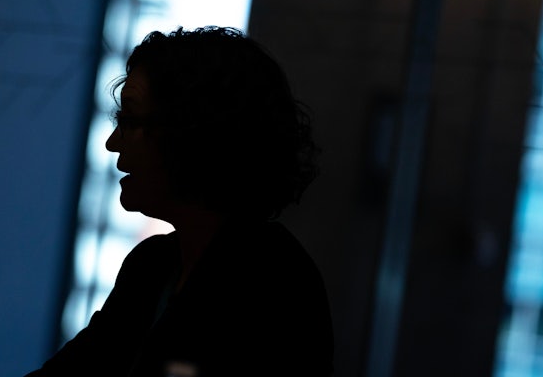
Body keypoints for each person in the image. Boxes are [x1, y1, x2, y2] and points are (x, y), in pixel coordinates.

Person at [25, 26, 334, 377]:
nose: (113, 143)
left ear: (192, 133)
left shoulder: (275, 283)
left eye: (128, 120)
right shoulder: (152, 266)